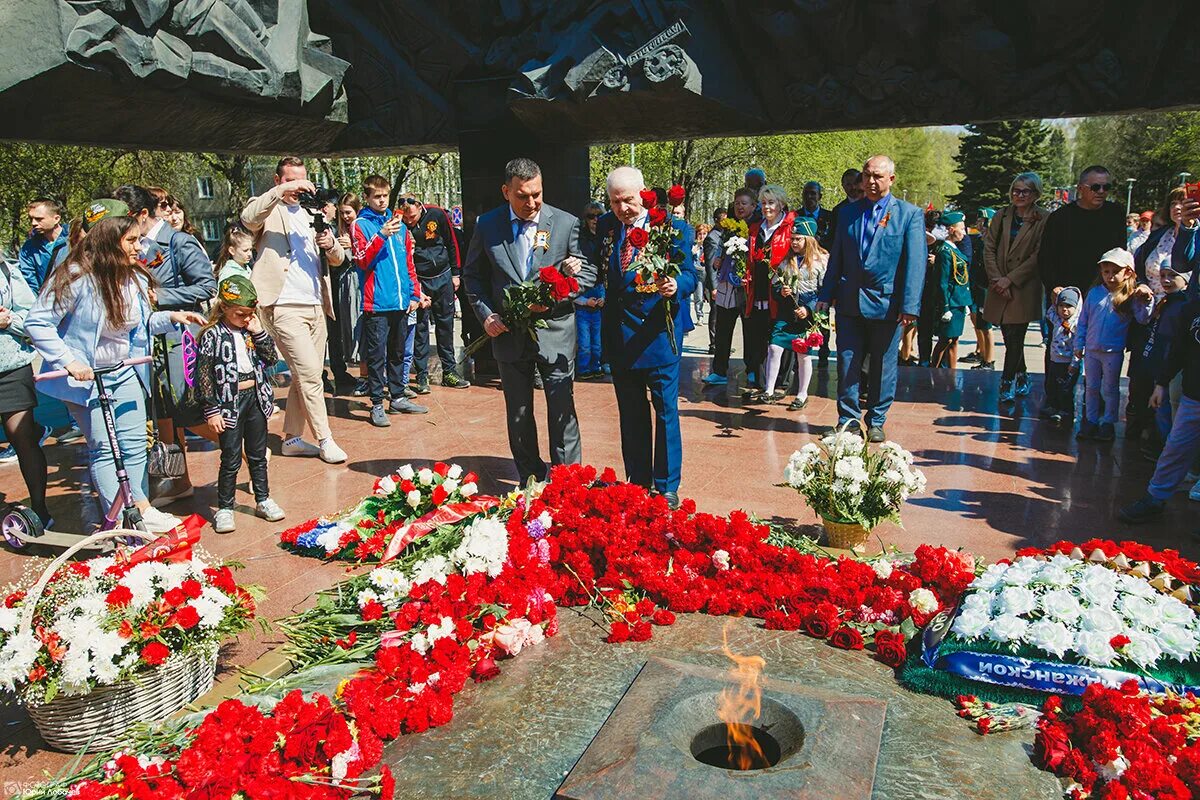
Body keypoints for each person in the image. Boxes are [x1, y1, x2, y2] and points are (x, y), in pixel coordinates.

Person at [26, 210, 206, 533]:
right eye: (133, 240)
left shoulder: (133, 277)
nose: (140, 247)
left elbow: (139, 326)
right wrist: (70, 361)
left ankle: (142, 507)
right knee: (106, 449)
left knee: (136, 444)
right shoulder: (75, 276)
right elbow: (37, 323)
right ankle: (119, 520)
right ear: (111, 240)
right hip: (89, 380)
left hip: (125, 371)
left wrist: (173, 318)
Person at [463, 157, 591, 485]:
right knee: (519, 413)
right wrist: (486, 314)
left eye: (537, 194)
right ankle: (530, 478)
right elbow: (473, 277)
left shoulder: (565, 223)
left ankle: (567, 482)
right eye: (523, 196)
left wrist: (555, 294)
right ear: (506, 191)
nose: (532, 202)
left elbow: (587, 273)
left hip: (556, 333)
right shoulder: (487, 225)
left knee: (562, 410)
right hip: (508, 333)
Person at [114, 183, 217, 507]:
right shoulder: (128, 245)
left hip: (178, 340)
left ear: (143, 214)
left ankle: (248, 448)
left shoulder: (177, 241)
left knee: (187, 408)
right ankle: (178, 480)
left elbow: (206, 285)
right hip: (148, 341)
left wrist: (161, 297)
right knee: (164, 417)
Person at [240, 156, 348, 464]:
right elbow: (249, 217)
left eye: (302, 180)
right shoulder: (267, 208)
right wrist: (283, 192)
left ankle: (292, 439)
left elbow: (339, 259)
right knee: (312, 374)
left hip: (316, 304)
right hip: (283, 305)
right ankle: (325, 439)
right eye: (290, 181)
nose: (298, 188)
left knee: (306, 374)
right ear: (278, 181)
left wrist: (329, 243)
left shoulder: (311, 211)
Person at [601, 166, 696, 508]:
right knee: (631, 412)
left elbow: (690, 275)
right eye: (615, 201)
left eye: (628, 200)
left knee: (665, 409)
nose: (622, 208)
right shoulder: (607, 228)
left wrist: (676, 286)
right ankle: (638, 480)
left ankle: (667, 485)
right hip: (620, 337)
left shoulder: (673, 229)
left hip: (658, 333)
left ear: (643, 193)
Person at [816, 155, 926, 442]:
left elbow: (915, 263)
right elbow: (836, 256)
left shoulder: (909, 214)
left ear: (891, 179)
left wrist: (910, 306)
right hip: (850, 301)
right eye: (867, 176)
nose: (871, 181)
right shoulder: (848, 213)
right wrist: (825, 295)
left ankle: (876, 419)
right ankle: (848, 419)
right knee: (847, 361)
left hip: (888, 304)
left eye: (878, 176)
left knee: (882, 366)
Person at [196, 276, 285, 533]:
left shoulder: (252, 329)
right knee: (231, 457)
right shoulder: (212, 335)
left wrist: (258, 331)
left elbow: (270, 359)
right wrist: (211, 409)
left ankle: (263, 498)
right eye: (240, 314)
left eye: (249, 313)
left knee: (258, 455)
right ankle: (225, 507)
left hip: (255, 398)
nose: (246, 318)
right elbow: (204, 375)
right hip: (227, 404)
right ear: (223, 307)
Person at [349, 175, 428, 427]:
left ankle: (397, 396)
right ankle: (375, 403)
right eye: (376, 197)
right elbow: (361, 259)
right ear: (368, 198)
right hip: (377, 303)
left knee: (397, 351)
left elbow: (408, 264)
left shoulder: (401, 226)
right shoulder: (361, 224)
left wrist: (414, 293)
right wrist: (381, 235)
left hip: (400, 302)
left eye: (385, 196)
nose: (382, 201)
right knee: (377, 356)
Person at [1117, 290, 1200, 524]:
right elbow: (1178, 351)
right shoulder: (1192, 309)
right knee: (1175, 447)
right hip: (1194, 396)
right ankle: (1155, 497)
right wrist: (1162, 383)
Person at [984, 173, 1050, 402]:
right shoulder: (1002, 215)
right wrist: (997, 279)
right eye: (1016, 190)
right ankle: (1022, 374)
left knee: (1016, 337)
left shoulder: (1043, 218)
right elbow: (989, 248)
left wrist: (1010, 280)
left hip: (1022, 286)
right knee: (1008, 334)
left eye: (1026, 191)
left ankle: (1006, 382)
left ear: (1035, 194)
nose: (1019, 195)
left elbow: (1038, 255)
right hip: (999, 285)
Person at [0, 238, 51, 527]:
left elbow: (30, 314)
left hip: (10, 367)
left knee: (22, 437)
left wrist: (9, 322)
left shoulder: (6, 270)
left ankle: (40, 511)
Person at [398, 192, 469, 393]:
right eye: (406, 218)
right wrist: (414, 288)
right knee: (420, 329)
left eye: (412, 216)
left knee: (445, 326)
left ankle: (450, 372)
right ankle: (422, 375)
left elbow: (452, 242)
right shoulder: (400, 225)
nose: (410, 221)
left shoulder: (437, 214)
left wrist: (456, 273)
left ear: (420, 207)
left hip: (444, 276)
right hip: (420, 282)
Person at [1075, 248, 1138, 442]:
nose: (1110, 277)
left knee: (1109, 388)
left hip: (1113, 351)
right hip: (1092, 350)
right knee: (1091, 386)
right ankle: (1091, 420)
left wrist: (1147, 301)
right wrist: (1079, 343)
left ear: (1127, 273)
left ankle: (1108, 422)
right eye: (1106, 272)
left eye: (1115, 272)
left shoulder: (1129, 297)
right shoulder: (1094, 294)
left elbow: (1143, 318)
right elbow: (1083, 321)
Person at [1129, 263, 1192, 458]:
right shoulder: (1166, 302)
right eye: (1162, 275)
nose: (1165, 280)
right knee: (1160, 408)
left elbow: (1174, 341)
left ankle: (1168, 449)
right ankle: (1164, 445)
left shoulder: (1183, 305)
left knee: (1167, 409)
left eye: (1172, 276)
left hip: (1170, 366)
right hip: (1159, 364)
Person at [1039, 166, 1128, 301]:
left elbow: (1121, 252)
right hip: (1067, 292)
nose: (1101, 192)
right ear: (1080, 188)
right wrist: (1053, 286)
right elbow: (1046, 256)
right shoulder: (1060, 217)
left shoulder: (1116, 214)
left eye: (1106, 187)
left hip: (1105, 291)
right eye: (1095, 187)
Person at [764, 219, 826, 408]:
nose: (794, 242)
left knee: (803, 354)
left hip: (807, 313)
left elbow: (825, 292)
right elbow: (775, 284)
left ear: (809, 239)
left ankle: (802, 394)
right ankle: (769, 389)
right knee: (774, 347)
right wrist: (780, 291)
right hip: (787, 312)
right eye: (792, 239)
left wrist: (809, 309)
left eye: (798, 238)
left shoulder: (822, 260)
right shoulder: (786, 260)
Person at [743, 185, 796, 397]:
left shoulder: (790, 227)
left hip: (780, 291)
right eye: (764, 203)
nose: (767, 207)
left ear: (781, 204)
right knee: (758, 336)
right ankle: (762, 382)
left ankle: (781, 384)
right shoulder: (755, 228)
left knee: (781, 337)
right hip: (758, 289)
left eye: (771, 203)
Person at [703, 188, 756, 386]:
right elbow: (719, 252)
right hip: (727, 286)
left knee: (750, 330)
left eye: (744, 203)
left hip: (747, 287)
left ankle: (752, 369)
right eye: (737, 203)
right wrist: (719, 260)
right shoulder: (729, 228)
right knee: (723, 329)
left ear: (753, 206)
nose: (740, 206)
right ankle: (719, 371)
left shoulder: (757, 228)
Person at [930, 211, 972, 369]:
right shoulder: (945, 251)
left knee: (954, 339)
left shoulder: (955, 249)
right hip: (950, 302)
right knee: (945, 339)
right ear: (951, 230)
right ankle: (933, 370)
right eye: (961, 228)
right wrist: (945, 307)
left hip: (958, 301)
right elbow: (942, 282)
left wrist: (964, 302)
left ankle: (952, 373)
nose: (964, 232)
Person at [335, 192, 368, 397]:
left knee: (362, 329)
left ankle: (367, 377)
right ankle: (362, 374)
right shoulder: (338, 231)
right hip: (345, 284)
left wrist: (353, 246)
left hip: (360, 281)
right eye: (342, 213)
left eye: (349, 212)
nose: (346, 217)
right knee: (350, 328)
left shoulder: (363, 228)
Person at [1040, 286, 1082, 426]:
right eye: (1061, 306)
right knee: (1053, 384)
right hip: (1055, 360)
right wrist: (1054, 297)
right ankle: (1054, 406)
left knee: (1066, 388)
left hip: (1069, 362)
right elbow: (1050, 311)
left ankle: (1066, 410)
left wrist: (1075, 364)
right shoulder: (1056, 319)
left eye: (1069, 306)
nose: (1064, 309)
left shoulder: (1077, 325)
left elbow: (1079, 347)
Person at [962, 208, 996, 370]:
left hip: (986, 287)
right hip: (976, 285)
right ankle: (981, 352)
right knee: (976, 320)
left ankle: (989, 360)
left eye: (983, 222)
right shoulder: (979, 240)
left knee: (986, 325)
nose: (979, 225)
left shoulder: (994, 242)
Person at [575, 201, 606, 379]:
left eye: (599, 216)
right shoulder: (581, 238)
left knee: (597, 338)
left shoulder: (606, 237)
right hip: (585, 286)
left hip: (600, 285)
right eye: (591, 216)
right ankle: (584, 368)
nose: (595, 220)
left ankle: (597, 365)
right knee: (584, 339)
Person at [18, 197, 69, 294]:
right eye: (31, 219)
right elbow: (29, 284)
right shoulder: (28, 248)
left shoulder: (75, 240)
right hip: (45, 304)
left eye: (39, 219)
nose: (33, 223)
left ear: (56, 219)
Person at [702, 207, 727, 353]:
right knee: (715, 312)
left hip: (723, 281)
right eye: (723, 220)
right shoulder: (712, 238)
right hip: (715, 282)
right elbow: (711, 265)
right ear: (716, 221)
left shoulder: (723, 235)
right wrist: (714, 287)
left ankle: (720, 343)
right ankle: (714, 344)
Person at [797, 181, 833, 249]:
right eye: (806, 193)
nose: (809, 196)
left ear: (820, 196)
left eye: (813, 193)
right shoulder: (795, 216)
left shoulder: (831, 217)